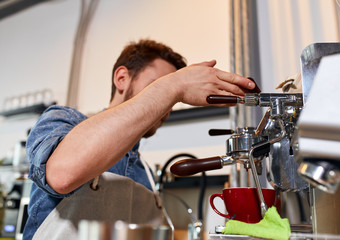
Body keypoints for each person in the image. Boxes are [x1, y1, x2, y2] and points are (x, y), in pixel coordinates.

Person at [23, 39, 256, 239]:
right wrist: (175, 84)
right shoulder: (64, 120)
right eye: (157, 86)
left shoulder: (144, 171)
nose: (165, 104)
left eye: (173, 98)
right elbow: (63, 174)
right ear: (122, 78)